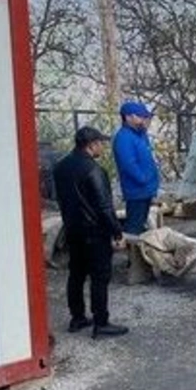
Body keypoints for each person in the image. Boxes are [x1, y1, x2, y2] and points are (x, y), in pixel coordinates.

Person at [52, 126, 129, 338]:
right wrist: (117, 232)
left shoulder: (60, 167)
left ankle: (77, 317)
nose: (103, 147)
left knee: (76, 274)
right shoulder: (94, 170)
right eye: (101, 143)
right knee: (99, 277)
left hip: (72, 229)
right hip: (95, 232)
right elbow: (104, 206)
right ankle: (101, 322)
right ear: (91, 145)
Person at [111, 100, 160, 235]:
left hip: (146, 188)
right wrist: (143, 179)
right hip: (136, 190)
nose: (143, 120)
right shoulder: (123, 138)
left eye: (144, 117)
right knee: (134, 226)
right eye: (140, 116)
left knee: (140, 223)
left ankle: (138, 252)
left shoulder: (141, 135)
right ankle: (132, 253)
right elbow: (128, 164)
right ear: (128, 117)